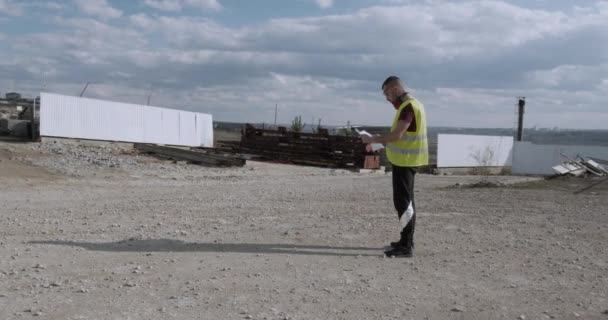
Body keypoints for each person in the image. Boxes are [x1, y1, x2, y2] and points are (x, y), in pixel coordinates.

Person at [361, 76, 429, 257]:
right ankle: (405, 240)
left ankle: (406, 246)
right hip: (406, 160)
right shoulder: (415, 104)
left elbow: (397, 135)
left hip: (405, 161)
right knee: (406, 202)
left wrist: (373, 139)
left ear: (396, 89)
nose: (387, 98)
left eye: (387, 93)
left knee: (404, 203)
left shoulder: (408, 107)